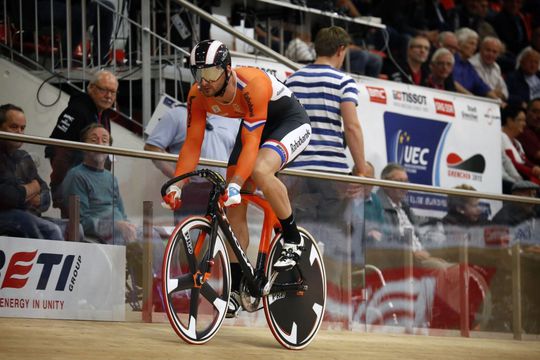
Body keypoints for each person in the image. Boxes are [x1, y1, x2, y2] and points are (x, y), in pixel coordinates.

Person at [162, 39, 311, 317]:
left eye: (209, 74)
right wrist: (178, 184)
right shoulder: (197, 95)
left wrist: (237, 184)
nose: (203, 82)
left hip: (289, 121)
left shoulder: (251, 83)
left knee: (259, 170)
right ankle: (234, 289)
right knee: (233, 210)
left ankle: (292, 238)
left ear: (227, 70)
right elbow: (192, 144)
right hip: (256, 126)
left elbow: (252, 142)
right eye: (198, 74)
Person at [61, 124, 164, 280]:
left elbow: (121, 214)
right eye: (94, 140)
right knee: (146, 238)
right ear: (82, 146)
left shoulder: (110, 177)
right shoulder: (76, 176)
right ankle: (156, 285)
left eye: (105, 140)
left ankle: (165, 285)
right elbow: (81, 222)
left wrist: (129, 226)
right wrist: (117, 225)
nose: (100, 144)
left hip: (118, 229)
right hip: (97, 234)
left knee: (154, 233)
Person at [144, 105, 240, 220]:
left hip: (220, 191)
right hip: (190, 192)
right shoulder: (177, 114)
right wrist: (179, 178)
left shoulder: (232, 119)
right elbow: (152, 148)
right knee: (191, 235)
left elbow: (238, 156)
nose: (206, 86)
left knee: (220, 234)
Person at [45, 70, 118, 216]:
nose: (108, 96)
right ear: (91, 88)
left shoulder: (103, 114)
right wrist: (62, 187)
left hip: (93, 185)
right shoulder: (77, 111)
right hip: (73, 187)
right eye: (104, 90)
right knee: (75, 230)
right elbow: (58, 150)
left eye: (112, 92)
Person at [0, 104, 63, 240]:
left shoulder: (24, 156)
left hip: (29, 215)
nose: (19, 132)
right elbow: (9, 197)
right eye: (14, 127)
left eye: (22, 128)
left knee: (73, 228)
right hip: (8, 217)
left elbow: (46, 196)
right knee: (52, 230)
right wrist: (33, 188)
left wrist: (25, 194)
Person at [452, 27, 499, 99]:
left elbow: (481, 86)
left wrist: (498, 100)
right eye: (471, 43)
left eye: (475, 45)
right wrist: (471, 97)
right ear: (459, 44)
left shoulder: (469, 66)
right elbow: (451, 82)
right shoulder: (451, 60)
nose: (474, 48)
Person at [501, 104, 540, 185]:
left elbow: (524, 161)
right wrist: (532, 171)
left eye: (524, 121)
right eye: (521, 120)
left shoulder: (517, 143)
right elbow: (513, 163)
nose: (524, 124)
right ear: (509, 121)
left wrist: (534, 167)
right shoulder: (501, 137)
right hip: (509, 181)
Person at [469, 36, 509, 102]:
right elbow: (479, 90)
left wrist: (501, 94)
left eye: (494, 52)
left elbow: (505, 92)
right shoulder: (472, 64)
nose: (490, 54)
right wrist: (494, 92)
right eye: (488, 50)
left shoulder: (496, 67)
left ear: (499, 54)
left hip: (494, 102)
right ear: (481, 49)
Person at [517, 98, 540, 165]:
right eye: (535, 111)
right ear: (527, 112)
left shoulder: (537, 131)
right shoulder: (523, 131)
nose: (539, 116)